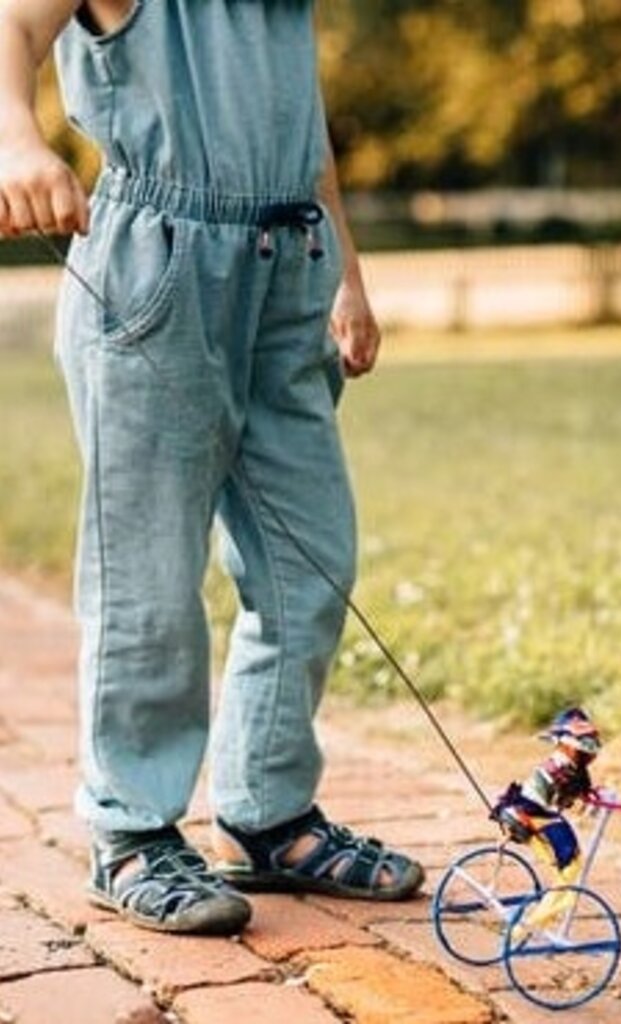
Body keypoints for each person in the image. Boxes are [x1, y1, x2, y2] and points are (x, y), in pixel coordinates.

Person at [0, 0, 424, 935]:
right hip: (158, 266)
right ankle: (133, 833)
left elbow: (301, 127)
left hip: (290, 267)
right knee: (147, 579)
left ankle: (269, 815)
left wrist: (346, 272)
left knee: (310, 557)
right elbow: (14, 29)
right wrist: (15, 141)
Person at [491, 707, 601, 922]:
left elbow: (572, 793)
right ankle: (532, 922)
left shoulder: (568, 765)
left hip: (532, 810)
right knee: (571, 862)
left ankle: (551, 908)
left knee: (562, 866)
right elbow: (564, 797)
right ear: (568, 745)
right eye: (585, 750)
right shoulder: (561, 766)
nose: (589, 755)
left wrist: (587, 796)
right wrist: (584, 800)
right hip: (533, 812)